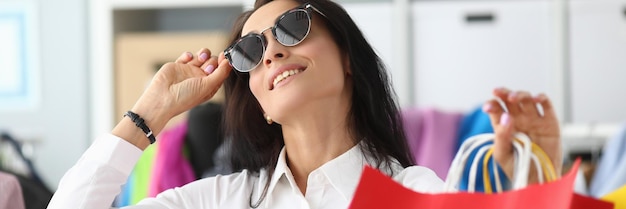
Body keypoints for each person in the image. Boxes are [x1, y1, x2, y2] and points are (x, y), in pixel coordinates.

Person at [47, 0, 562, 208]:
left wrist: (539, 182)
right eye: (250, 49)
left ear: (348, 62)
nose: (271, 49)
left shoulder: (415, 193)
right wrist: (147, 114)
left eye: (294, 26)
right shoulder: (221, 201)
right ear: (258, 101)